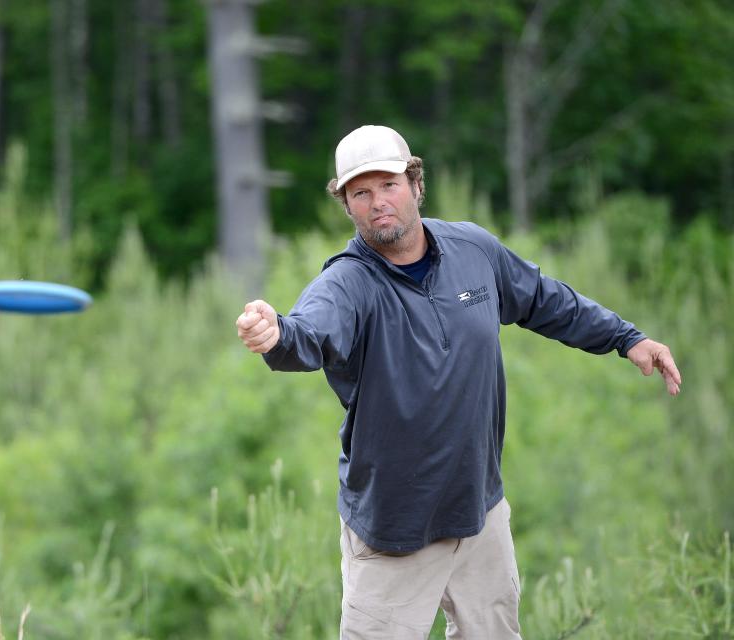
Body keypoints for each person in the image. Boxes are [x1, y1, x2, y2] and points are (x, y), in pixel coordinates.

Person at [235, 125, 682, 639]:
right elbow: (309, 333)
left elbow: (546, 300)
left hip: (479, 510)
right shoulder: (348, 282)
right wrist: (276, 335)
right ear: (347, 204)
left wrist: (627, 338)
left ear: (416, 183)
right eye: (361, 192)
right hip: (395, 529)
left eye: (389, 185)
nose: (378, 202)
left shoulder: (474, 250)